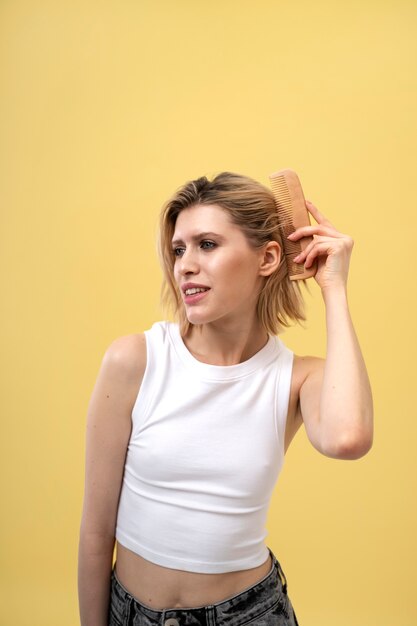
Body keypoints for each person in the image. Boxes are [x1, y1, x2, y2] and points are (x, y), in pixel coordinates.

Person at [78, 171, 373, 626]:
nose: (185, 265)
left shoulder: (296, 378)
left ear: (268, 258)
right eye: (179, 249)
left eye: (207, 245)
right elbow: (97, 532)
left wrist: (334, 288)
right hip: (130, 613)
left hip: (249, 615)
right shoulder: (135, 360)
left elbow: (347, 438)